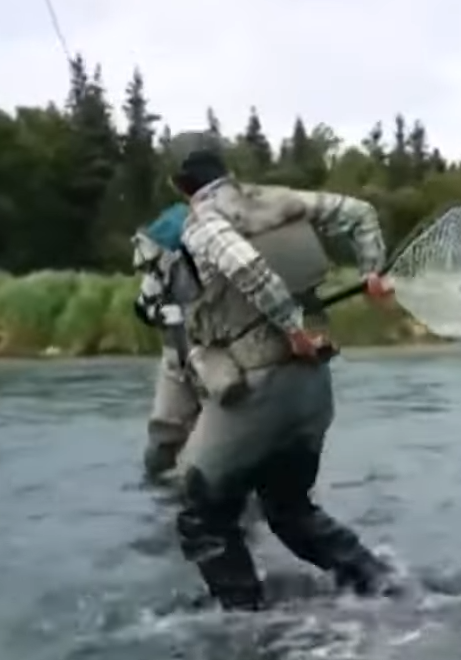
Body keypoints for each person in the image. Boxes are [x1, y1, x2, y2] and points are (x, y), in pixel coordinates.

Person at [165, 131, 400, 612]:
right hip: (313, 387)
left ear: (179, 183)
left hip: (258, 389)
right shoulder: (277, 199)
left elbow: (249, 269)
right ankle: (386, 590)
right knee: (289, 509)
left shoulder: (203, 225)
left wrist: (292, 330)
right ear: (222, 167)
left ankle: (246, 623)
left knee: (200, 514)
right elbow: (360, 213)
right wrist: (372, 272)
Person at [131, 203, 204, 483]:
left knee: (215, 454)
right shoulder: (159, 269)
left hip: (220, 360)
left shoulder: (221, 260)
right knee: (163, 442)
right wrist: (158, 313)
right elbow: (142, 308)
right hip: (177, 361)